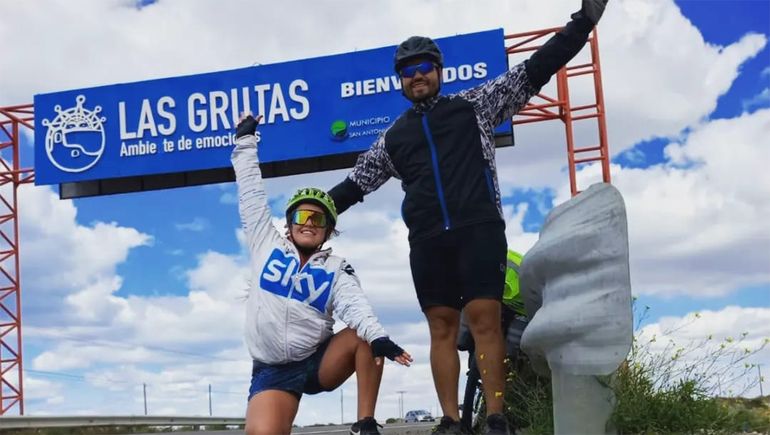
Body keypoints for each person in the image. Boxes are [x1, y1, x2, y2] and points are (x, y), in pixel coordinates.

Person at [328, 2, 609, 433]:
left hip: (478, 229)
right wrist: (309, 214)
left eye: (424, 65)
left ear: (439, 71)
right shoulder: (392, 138)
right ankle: (451, 420)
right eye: (407, 70)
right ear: (400, 82)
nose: (416, 75)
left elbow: (535, 69)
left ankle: (496, 417)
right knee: (440, 328)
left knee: (484, 319)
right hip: (427, 241)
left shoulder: (474, 106)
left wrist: (583, 22)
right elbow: (354, 186)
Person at [232, 113, 413, 435]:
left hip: (318, 362)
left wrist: (379, 338)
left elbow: (355, 307)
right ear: (288, 225)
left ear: (328, 231)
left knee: (362, 334)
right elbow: (250, 195)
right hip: (273, 371)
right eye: (302, 216)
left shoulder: (337, 268)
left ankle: (365, 424)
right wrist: (246, 141)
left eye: (319, 221)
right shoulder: (265, 242)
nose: (309, 224)